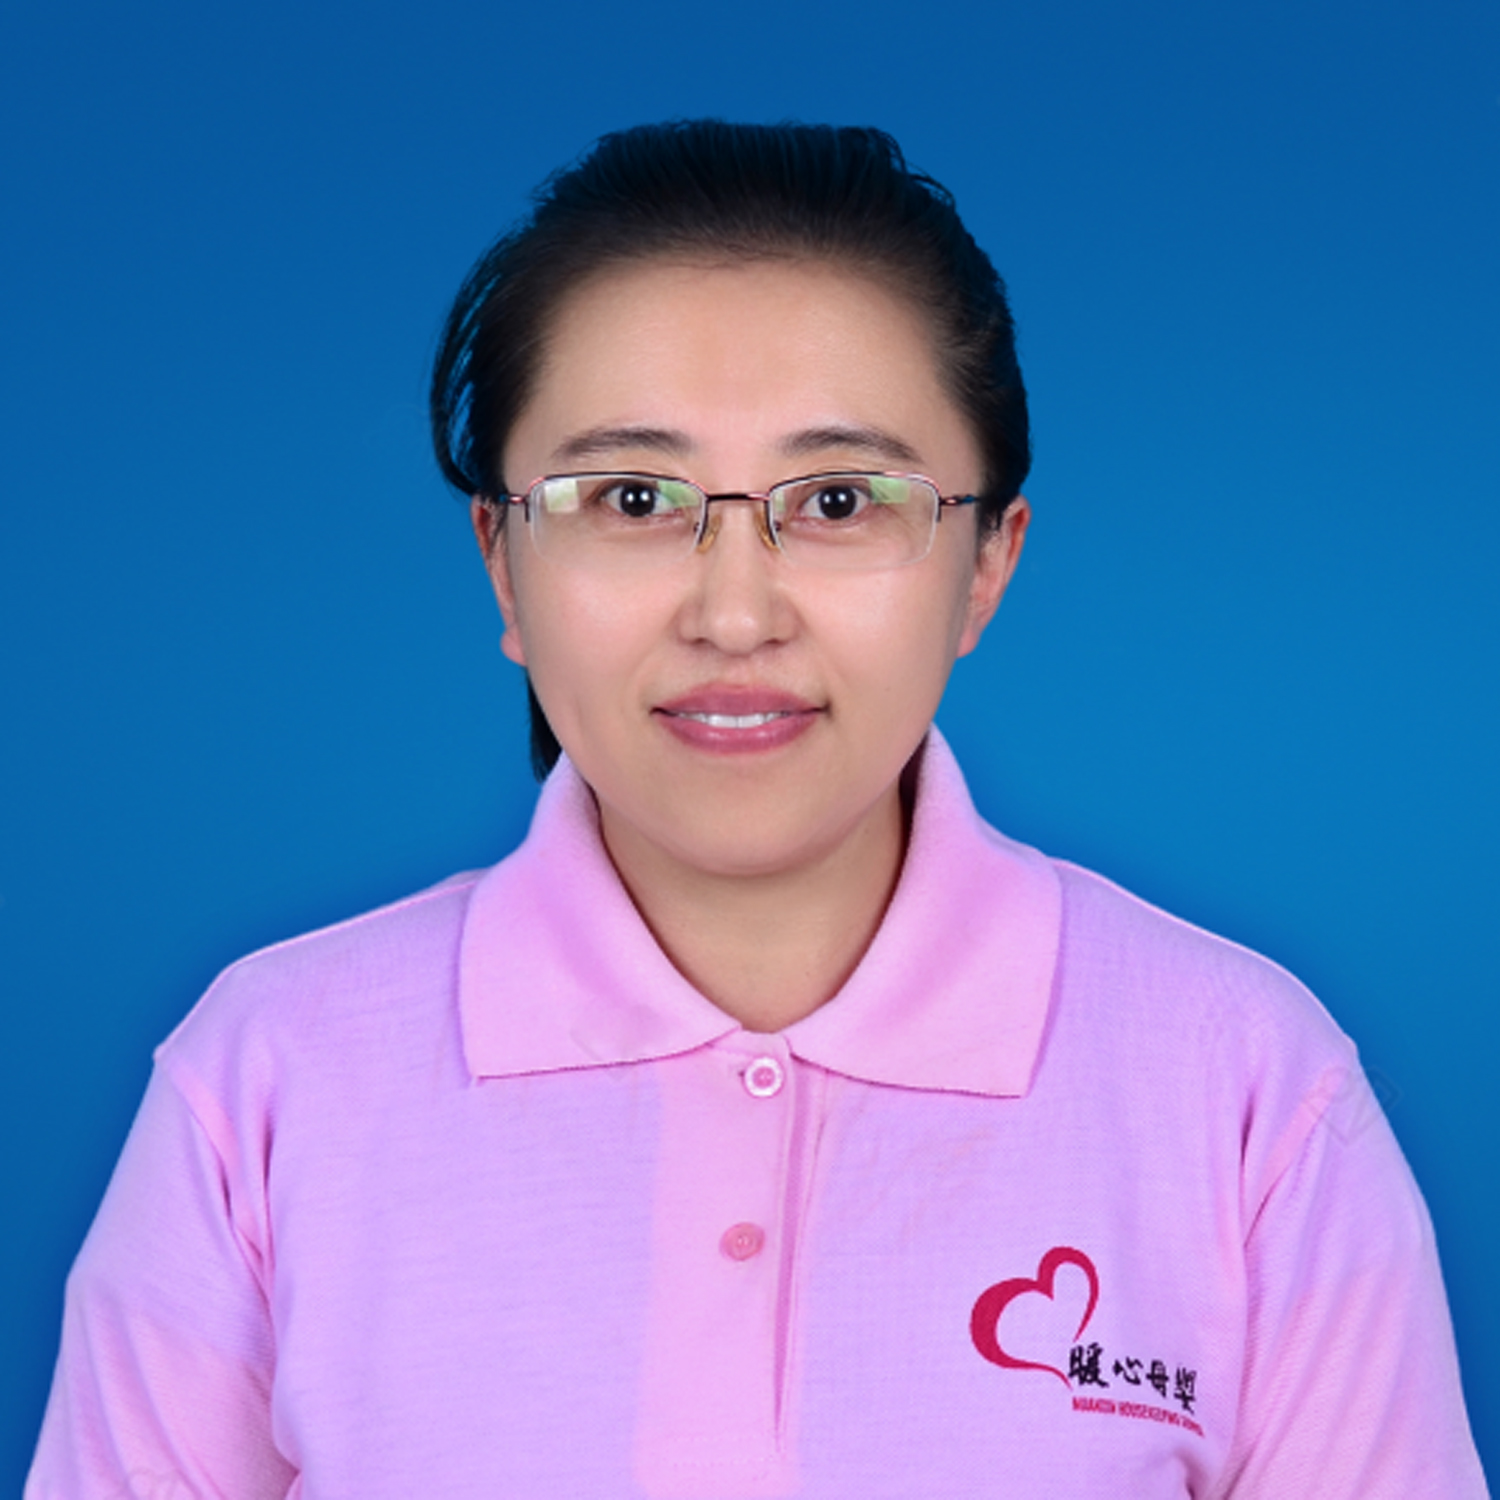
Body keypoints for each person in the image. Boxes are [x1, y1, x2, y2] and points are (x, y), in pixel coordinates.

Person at [26, 121, 1487, 1498]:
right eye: (632, 501)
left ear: (986, 566)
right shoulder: (267, 1085)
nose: (734, 614)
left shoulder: (1244, 1094)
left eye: (840, 503)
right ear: (501, 562)